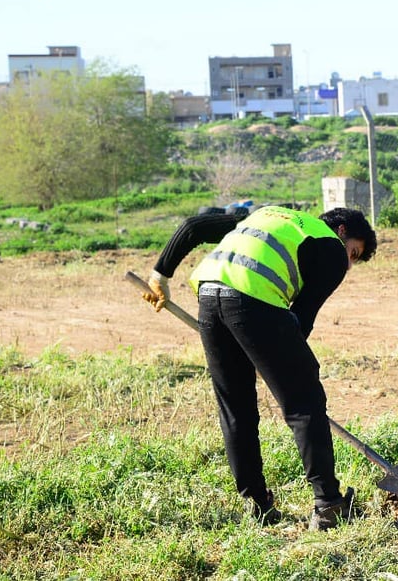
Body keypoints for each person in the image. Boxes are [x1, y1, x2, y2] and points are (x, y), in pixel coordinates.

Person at [143, 204, 377, 531]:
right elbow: (301, 321)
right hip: (252, 301)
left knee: (235, 407)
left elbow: (193, 226)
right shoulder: (330, 247)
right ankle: (328, 505)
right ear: (341, 232)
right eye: (353, 252)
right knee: (304, 401)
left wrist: (159, 276)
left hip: (210, 295)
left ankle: (257, 506)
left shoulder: (269, 216)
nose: (348, 263)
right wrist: (277, 364)